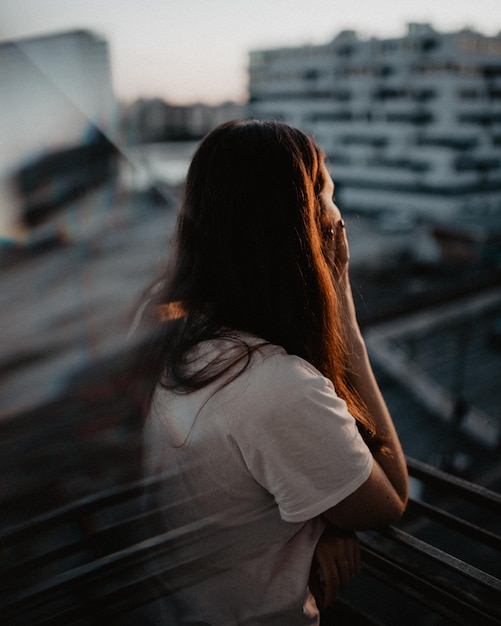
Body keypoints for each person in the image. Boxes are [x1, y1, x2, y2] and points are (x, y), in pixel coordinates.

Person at [135, 119, 408, 625]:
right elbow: (389, 498)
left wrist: (318, 521)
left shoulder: (186, 340)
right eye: (327, 191)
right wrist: (345, 314)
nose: (337, 210)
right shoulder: (275, 387)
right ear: (305, 225)